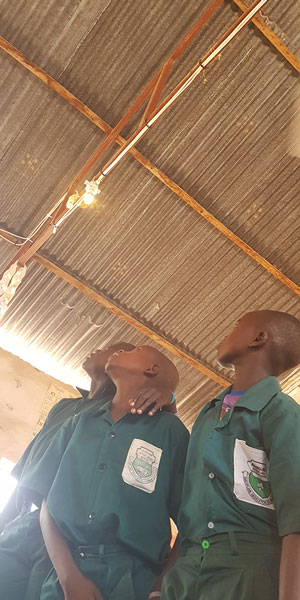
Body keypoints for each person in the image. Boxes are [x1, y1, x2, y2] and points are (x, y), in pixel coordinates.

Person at [0, 342, 175, 600]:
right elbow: (29, 476)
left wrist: (169, 397)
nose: (102, 349)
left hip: (63, 539)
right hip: (30, 521)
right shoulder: (65, 408)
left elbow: (159, 427)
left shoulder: (126, 411)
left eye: (119, 349)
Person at [161, 310, 300, 600]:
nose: (226, 332)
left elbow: (295, 522)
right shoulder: (208, 412)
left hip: (247, 574)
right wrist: (164, 580)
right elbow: (191, 509)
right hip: (187, 572)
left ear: (258, 338)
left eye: (236, 326)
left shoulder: (280, 411)